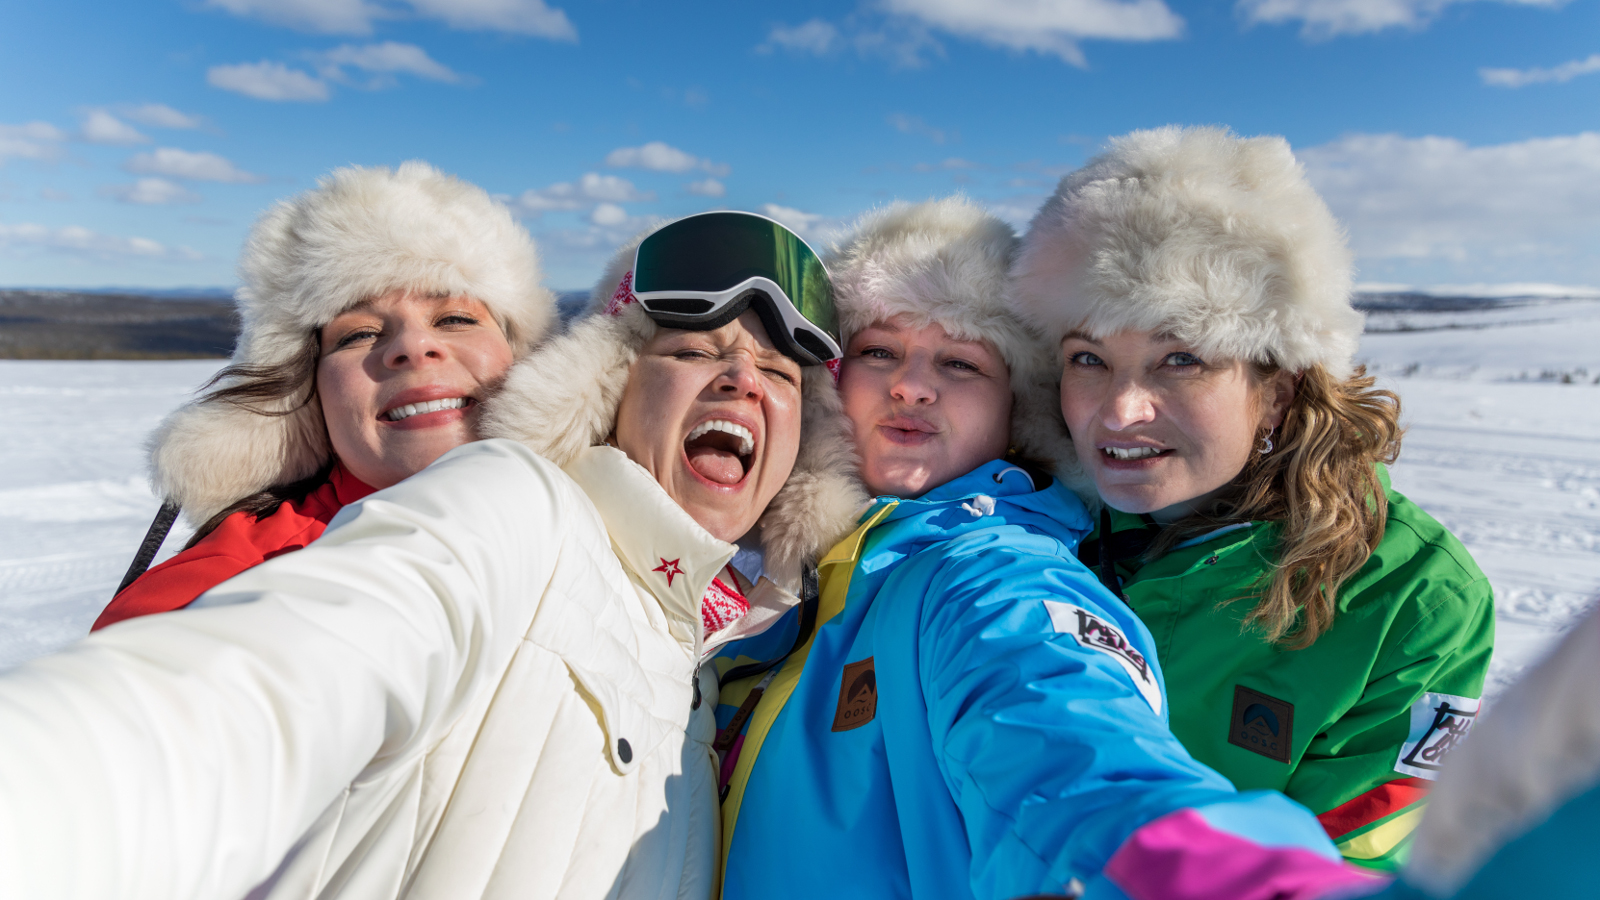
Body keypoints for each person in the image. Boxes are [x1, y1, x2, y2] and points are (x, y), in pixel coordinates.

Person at [0, 211, 861, 900]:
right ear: (605, 386)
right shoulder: (512, 512)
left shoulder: (729, 649)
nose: (744, 378)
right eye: (691, 349)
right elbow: (247, 699)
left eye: (781, 374)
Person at [711, 197, 1380, 900]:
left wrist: (1199, 875)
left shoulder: (984, 578)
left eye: (962, 364)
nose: (912, 385)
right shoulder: (798, 577)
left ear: (1018, 413)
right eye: (880, 351)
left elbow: (1069, 747)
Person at [1008, 125, 1496, 872]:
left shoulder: (1407, 597)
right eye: (1089, 359)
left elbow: (1347, 866)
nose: (1118, 410)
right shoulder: (1021, 521)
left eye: (1181, 359)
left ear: (1277, 390)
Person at [94, 162, 554, 629]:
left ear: (530, 359)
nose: (413, 347)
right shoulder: (213, 593)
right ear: (306, 395)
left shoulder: (609, 509)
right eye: (358, 334)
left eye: (454, 318)